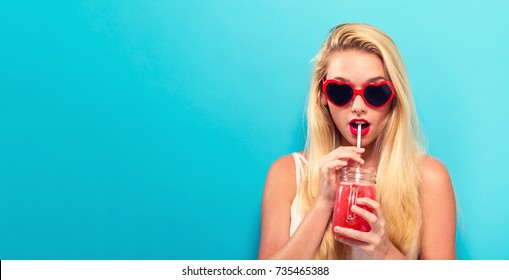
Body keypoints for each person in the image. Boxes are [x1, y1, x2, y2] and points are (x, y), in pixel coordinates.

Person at [257, 23, 456, 260]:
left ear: (394, 98)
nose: (358, 107)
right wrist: (322, 204)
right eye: (341, 91)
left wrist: (385, 252)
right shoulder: (287, 174)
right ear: (323, 95)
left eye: (375, 92)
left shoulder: (429, 178)